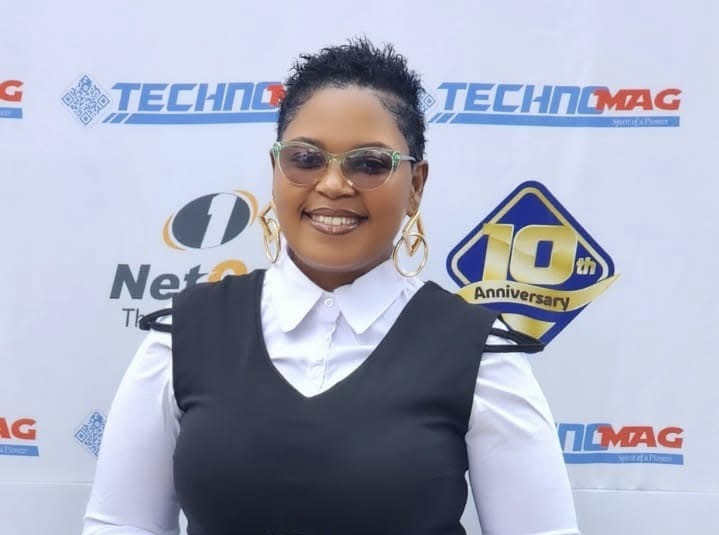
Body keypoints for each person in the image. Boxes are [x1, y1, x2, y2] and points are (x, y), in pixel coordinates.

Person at [82, 38, 580, 535]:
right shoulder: (184, 337)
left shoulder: (479, 356)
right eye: (305, 158)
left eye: (370, 164)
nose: (334, 185)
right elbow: (121, 525)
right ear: (275, 170)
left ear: (416, 185)